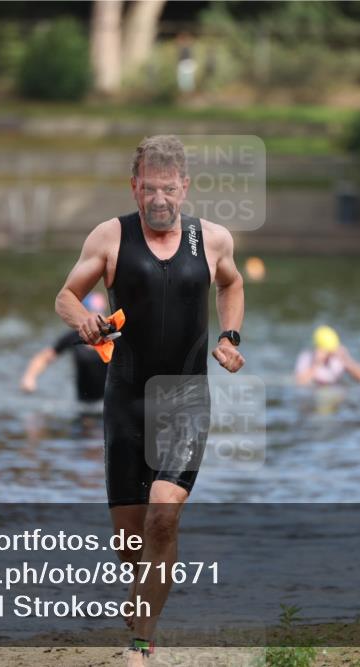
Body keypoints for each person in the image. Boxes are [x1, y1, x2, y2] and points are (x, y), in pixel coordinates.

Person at [55, 135, 245, 665]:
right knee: (130, 542)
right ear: (134, 186)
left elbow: (232, 286)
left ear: (184, 186)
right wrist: (84, 321)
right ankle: (141, 605)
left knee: (165, 516)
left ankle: (142, 641)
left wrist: (230, 339)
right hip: (126, 401)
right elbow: (65, 296)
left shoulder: (212, 240)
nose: (159, 198)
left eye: (169, 188)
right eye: (149, 188)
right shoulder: (109, 237)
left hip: (185, 398)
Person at [20, 292, 108, 404]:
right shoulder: (74, 337)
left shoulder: (111, 337)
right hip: (84, 404)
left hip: (108, 403)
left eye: (101, 313)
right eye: (93, 313)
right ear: (84, 314)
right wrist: (29, 377)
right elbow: (44, 357)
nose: (98, 319)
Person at [294, 325, 360, 387]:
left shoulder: (339, 358)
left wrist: (347, 361)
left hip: (336, 388)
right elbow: (300, 382)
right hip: (315, 390)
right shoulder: (307, 357)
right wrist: (317, 363)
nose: (329, 355)